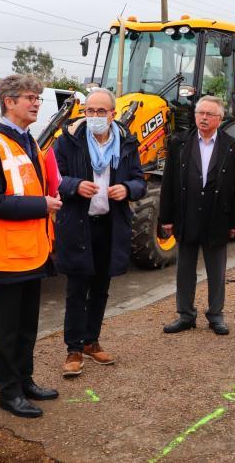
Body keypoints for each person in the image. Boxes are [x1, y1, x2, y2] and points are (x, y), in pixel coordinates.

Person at [0, 74, 62, 418]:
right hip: (2, 256)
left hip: (29, 253)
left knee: (26, 324)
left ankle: (25, 380)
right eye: (30, 97)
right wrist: (42, 206)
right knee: (7, 329)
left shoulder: (26, 140)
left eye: (37, 97)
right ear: (9, 101)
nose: (36, 102)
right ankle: (9, 393)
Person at [53, 88, 146, 377]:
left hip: (111, 224)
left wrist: (128, 188)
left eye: (100, 111)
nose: (94, 116)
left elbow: (140, 181)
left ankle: (92, 341)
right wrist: (73, 186)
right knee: (77, 289)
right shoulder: (68, 141)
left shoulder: (127, 142)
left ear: (112, 114)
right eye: (89, 111)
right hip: (79, 224)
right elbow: (54, 178)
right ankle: (73, 349)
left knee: (101, 290)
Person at [159, 96, 235, 336]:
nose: (204, 118)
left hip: (217, 216)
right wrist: (165, 218)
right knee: (185, 268)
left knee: (216, 269)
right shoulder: (179, 143)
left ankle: (216, 315)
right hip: (187, 215)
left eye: (209, 114)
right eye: (200, 113)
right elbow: (168, 183)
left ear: (219, 118)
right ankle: (185, 315)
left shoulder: (232, 147)